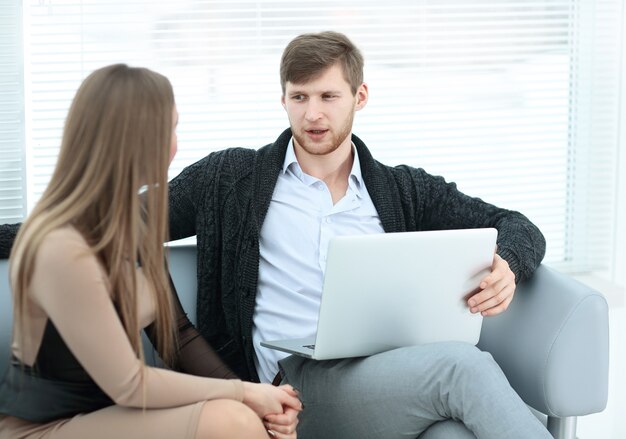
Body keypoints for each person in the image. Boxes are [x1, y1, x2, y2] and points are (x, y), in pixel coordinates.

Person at [164, 31, 552, 438]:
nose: (312, 114)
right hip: (289, 387)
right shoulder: (229, 177)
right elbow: (121, 223)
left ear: (359, 96)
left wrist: (508, 263)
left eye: (328, 97)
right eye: (299, 97)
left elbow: (518, 225)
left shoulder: (403, 190)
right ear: (283, 100)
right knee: (462, 368)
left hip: (377, 372)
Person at [0, 64, 301, 439]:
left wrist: (261, 400)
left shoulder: (128, 224)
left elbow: (177, 334)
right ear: (133, 137)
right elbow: (129, 384)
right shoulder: (61, 247)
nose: (175, 144)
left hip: (110, 416)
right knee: (233, 420)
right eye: (170, 128)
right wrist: (244, 394)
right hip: (44, 428)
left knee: (244, 418)